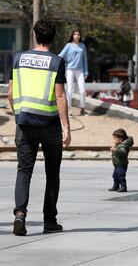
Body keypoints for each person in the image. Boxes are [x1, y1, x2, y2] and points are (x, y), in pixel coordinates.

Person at [7, 19, 71, 236]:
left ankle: (19, 215)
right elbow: (60, 95)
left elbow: (10, 93)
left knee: (24, 171)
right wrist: (66, 127)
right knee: (52, 172)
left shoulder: (18, 58)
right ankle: (50, 220)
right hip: (50, 124)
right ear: (53, 37)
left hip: (24, 122)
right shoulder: (57, 61)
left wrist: (19, 114)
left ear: (35, 35)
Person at [59, 28, 89, 116]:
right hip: (69, 69)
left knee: (83, 90)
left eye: (78, 34)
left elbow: (85, 59)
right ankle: (68, 109)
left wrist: (86, 72)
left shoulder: (82, 46)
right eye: (75, 34)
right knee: (69, 89)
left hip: (80, 70)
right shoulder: (68, 45)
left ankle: (82, 109)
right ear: (72, 35)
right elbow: (61, 55)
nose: (77, 36)